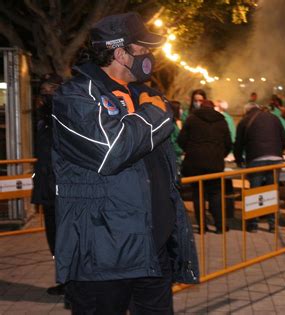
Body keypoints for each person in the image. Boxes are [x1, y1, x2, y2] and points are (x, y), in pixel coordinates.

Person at [51, 12, 199, 313]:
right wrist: (155, 116)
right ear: (120, 53)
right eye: (144, 51)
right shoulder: (76, 96)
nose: (150, 58)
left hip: (152, 253)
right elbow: (111, 151)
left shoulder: (144, 96)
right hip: (103, 258)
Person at [31, 73, 64, 296]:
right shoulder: (42, 121)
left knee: (67, 239)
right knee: (54, 239)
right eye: (44, 92)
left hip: (64, 190)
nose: (45, 97)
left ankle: (74, 282)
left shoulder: (66, 119)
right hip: (47, 190)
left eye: (50, 91)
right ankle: (64, 280)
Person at [178, 100, 232, 233]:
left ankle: (202, 227)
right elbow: (228, 143)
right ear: (213, 108)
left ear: (201, 107)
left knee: (198, 194)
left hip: (195, 163)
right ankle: (220, 226)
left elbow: (181, 140)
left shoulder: (192, 119)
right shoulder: (221, 121)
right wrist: (220, 155)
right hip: (215, 164)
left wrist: (190, 150)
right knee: (215, 194)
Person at [234, 103, 285, 232]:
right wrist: (280, 150)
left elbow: (238, 144)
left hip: (256, 158)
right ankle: (272, 225)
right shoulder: (274, 118)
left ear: (247, 111)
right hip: (275, 158)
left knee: (255, 191)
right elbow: (283, 138)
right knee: (271, 190)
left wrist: (239, 160)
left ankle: (253, 224)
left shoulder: (245, 121)